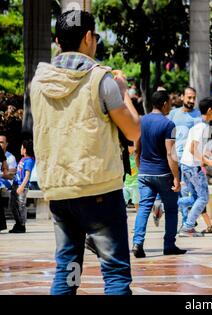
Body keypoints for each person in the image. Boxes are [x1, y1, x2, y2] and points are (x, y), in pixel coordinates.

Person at [30, 10, 140, 295]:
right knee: (115, 272)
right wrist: (123, 92)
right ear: (89, 37)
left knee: (68, 269)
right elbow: (133, 132)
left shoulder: (38, 84)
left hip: (60, 192)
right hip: (99, 191)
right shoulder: (101, 81)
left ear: (57, 41)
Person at [132, 90, 186, 258]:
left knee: (144, 209)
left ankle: (137, 243)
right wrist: (176, 177)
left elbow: (136, 149)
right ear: (164, 104)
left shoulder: (141, 121)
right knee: (171, 209)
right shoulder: (168, 124)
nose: (170, 105)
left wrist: (141, 168)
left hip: (144, 173)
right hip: (163, 174)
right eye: (169, 102)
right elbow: (171, 153)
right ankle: (169, 244)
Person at [178, 98, 212, 237]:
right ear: (209, 110)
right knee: (203, 198)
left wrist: (207, 154)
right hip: (192, 167)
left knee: (195, 198)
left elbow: (195, 148)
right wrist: (208, 162)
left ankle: (163, 206)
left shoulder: (199, 125)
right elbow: (192, 149)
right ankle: (188, 227)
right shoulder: (202, 127)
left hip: (187, 165)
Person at [168, 87, 202, 225]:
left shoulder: (197, 115)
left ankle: (186, 220)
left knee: (188, 191)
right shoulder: (173, 114)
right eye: (189, 97)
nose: (192, 100)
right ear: (182, 97)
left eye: (193, 98)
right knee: (181, 191)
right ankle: (186, 221)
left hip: (188, 160)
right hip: (174, 158)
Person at [8, 140, 34, 234]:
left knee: (20, 205)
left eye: (22, 147)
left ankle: (21, 225)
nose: (20, 149)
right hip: (16, 185)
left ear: (25, 150)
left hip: (21, 186)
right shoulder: (23, 159)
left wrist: (22, 186)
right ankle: (17, 223)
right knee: (13, 204)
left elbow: (27, 175)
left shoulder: (29, 161)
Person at [123, 145, 139, 213]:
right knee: (122, 202)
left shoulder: (137, 157)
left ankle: (140, 216)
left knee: (136, 203)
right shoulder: (125, 157)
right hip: (126, 184)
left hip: (135, 184)